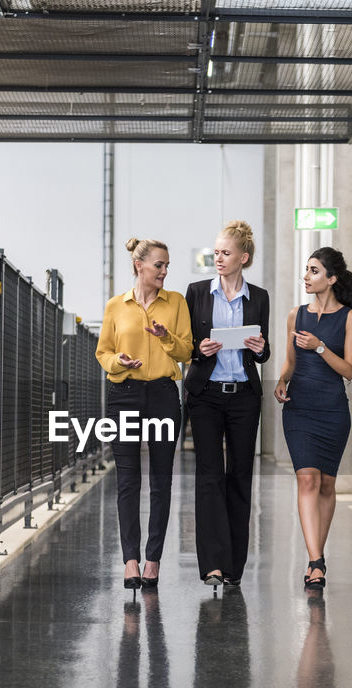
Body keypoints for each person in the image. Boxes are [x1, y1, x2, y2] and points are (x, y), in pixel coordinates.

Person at [96, 238, 193, 590]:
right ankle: (130, 560)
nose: (165, 271)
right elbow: (103, 351)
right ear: (139, 266)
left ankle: (153, 560)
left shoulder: (177, 303)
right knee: (127, 480)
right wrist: (117, 361)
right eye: (159, 265)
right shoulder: (115, 306)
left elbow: (187, 351)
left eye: (167, 266)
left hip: (164, 396)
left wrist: (167, 338)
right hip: (124, 393)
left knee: (161, 480)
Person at [274, 247, 352, 589]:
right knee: (307, 480)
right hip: (299, 407)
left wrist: (318, 346)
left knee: (327, 484)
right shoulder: (294, 315)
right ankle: (315, 562)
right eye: (306, 270)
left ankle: (318, 554)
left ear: (331, 279)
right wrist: (281, 380)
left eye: (313, 271)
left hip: (332, 410)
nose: (306, 276)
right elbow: (289, 361)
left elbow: (348, 370)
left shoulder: (349, 318)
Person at [184, 220, 270, 588]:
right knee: (208, 477)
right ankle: (212, 565)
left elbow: (263, 354)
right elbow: (187, 345)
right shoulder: (197, 292)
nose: (217, 258)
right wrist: (198, 350)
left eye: (225, 253)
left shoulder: (260, 297)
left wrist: (262, 349)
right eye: (216, 252)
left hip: (244, 398)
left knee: (239, 477)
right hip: (206, 395)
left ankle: (234, 566)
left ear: (243, 258)